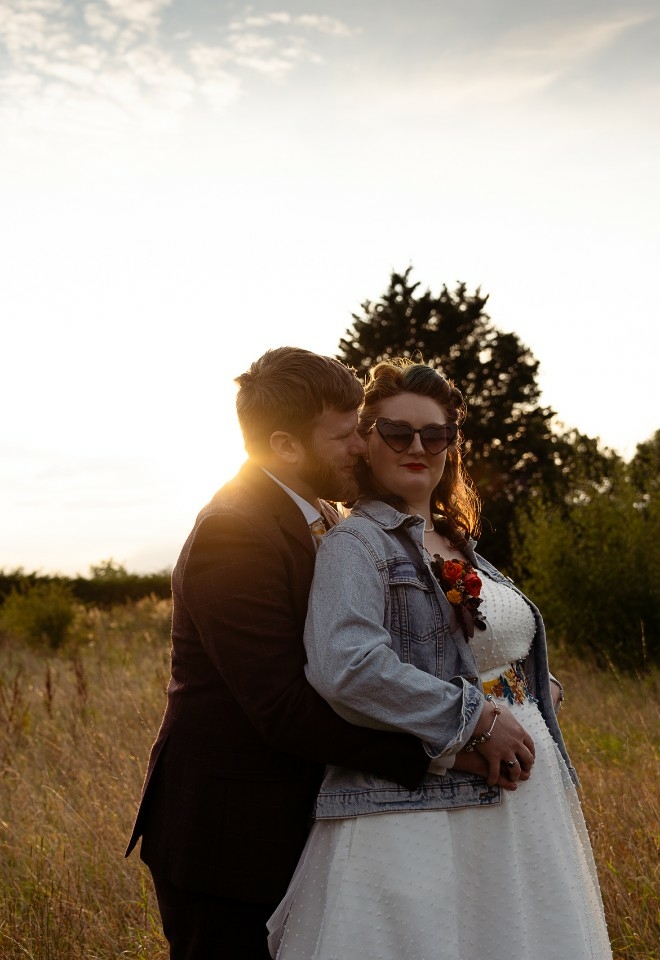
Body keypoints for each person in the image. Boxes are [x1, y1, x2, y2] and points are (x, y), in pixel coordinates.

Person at [126, 347, 472, 959]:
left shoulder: (326, 520)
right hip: (228, 837)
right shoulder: (234, 531)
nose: (362, 448)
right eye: (345, 436)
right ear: (285, 446)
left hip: (298, 820)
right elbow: (282, 707)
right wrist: (440, 752)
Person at [269, 359, 612, 959]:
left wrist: (532, 691)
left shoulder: (459, 543)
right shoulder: (358, 543)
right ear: (365, 442)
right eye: (397, 433)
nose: (418, 447)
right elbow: (346, 665)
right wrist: (479, 714)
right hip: (423, 808)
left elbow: (481, 645)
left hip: (521, 797)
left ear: (453, 445)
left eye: (437, 434)